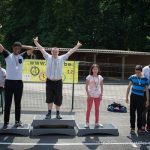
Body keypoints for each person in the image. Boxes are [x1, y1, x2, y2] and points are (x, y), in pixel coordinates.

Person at [33, 37, 82, 119]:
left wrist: (77, 46)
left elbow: (70, 52)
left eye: (56, 51)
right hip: (49, 81)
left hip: (58, 82)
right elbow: (41, 49)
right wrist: (35, 42)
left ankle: (58, 113)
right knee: (49, 97)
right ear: (51, 52)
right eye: (53, 51)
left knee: (58, 97)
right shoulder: (47, 57)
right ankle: (49, 113)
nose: (55, 53)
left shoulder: (62, 58)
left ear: (58, 52)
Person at [0, 42, 28, 129]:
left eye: (18, 48)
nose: (17, 50)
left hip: (19, 83)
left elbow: (32, 49)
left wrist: (22, 46)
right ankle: (6, 122)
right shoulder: (8, 55)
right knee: (7, 104)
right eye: (15, 48)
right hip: (9, 82)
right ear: (12, 48)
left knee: (18, 104)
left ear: (20, 49)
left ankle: (17, 121)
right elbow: (1, 47)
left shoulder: (22, 56)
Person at [126, 65, 149, 135]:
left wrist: (147, 100)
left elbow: (147, 90)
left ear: (141, 71)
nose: (137, 74)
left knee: (140, 114)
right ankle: (132, 128)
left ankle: (139, 128)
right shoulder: (132, 77)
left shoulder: (145, 79)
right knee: (132, 113)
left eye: (139, 72)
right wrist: (126, 97)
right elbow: (129, 87)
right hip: (133, 96)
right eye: (136, 72)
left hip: (141, 98)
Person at [85, 64, 103, 128]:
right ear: (92, 70)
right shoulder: (89, 77)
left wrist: (101, 94)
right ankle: (87, 122)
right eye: (94, 69)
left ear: (98, 70)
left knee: (97, 109)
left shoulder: (100, 77)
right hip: (90, 95)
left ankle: (97, 122)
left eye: (96, 69)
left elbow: (101, 86)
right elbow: (86, 87)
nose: (95, 70)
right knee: (89, 109)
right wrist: (88, 94)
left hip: (97, 95)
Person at [142, 65, 150, 132]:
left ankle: (149, 126)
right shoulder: (145, 68)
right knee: (144, 109)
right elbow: (142, 78)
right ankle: (143, 125)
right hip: (146, 91)